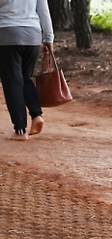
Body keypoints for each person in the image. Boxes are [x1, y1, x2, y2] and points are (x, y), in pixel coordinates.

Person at [0, 0, 53, 141]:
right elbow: (44, 11)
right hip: (33, 36)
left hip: (7, 34)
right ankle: (36, 115)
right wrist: (48, 38)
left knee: (12, 83)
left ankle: (20, 129)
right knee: (25, 78)